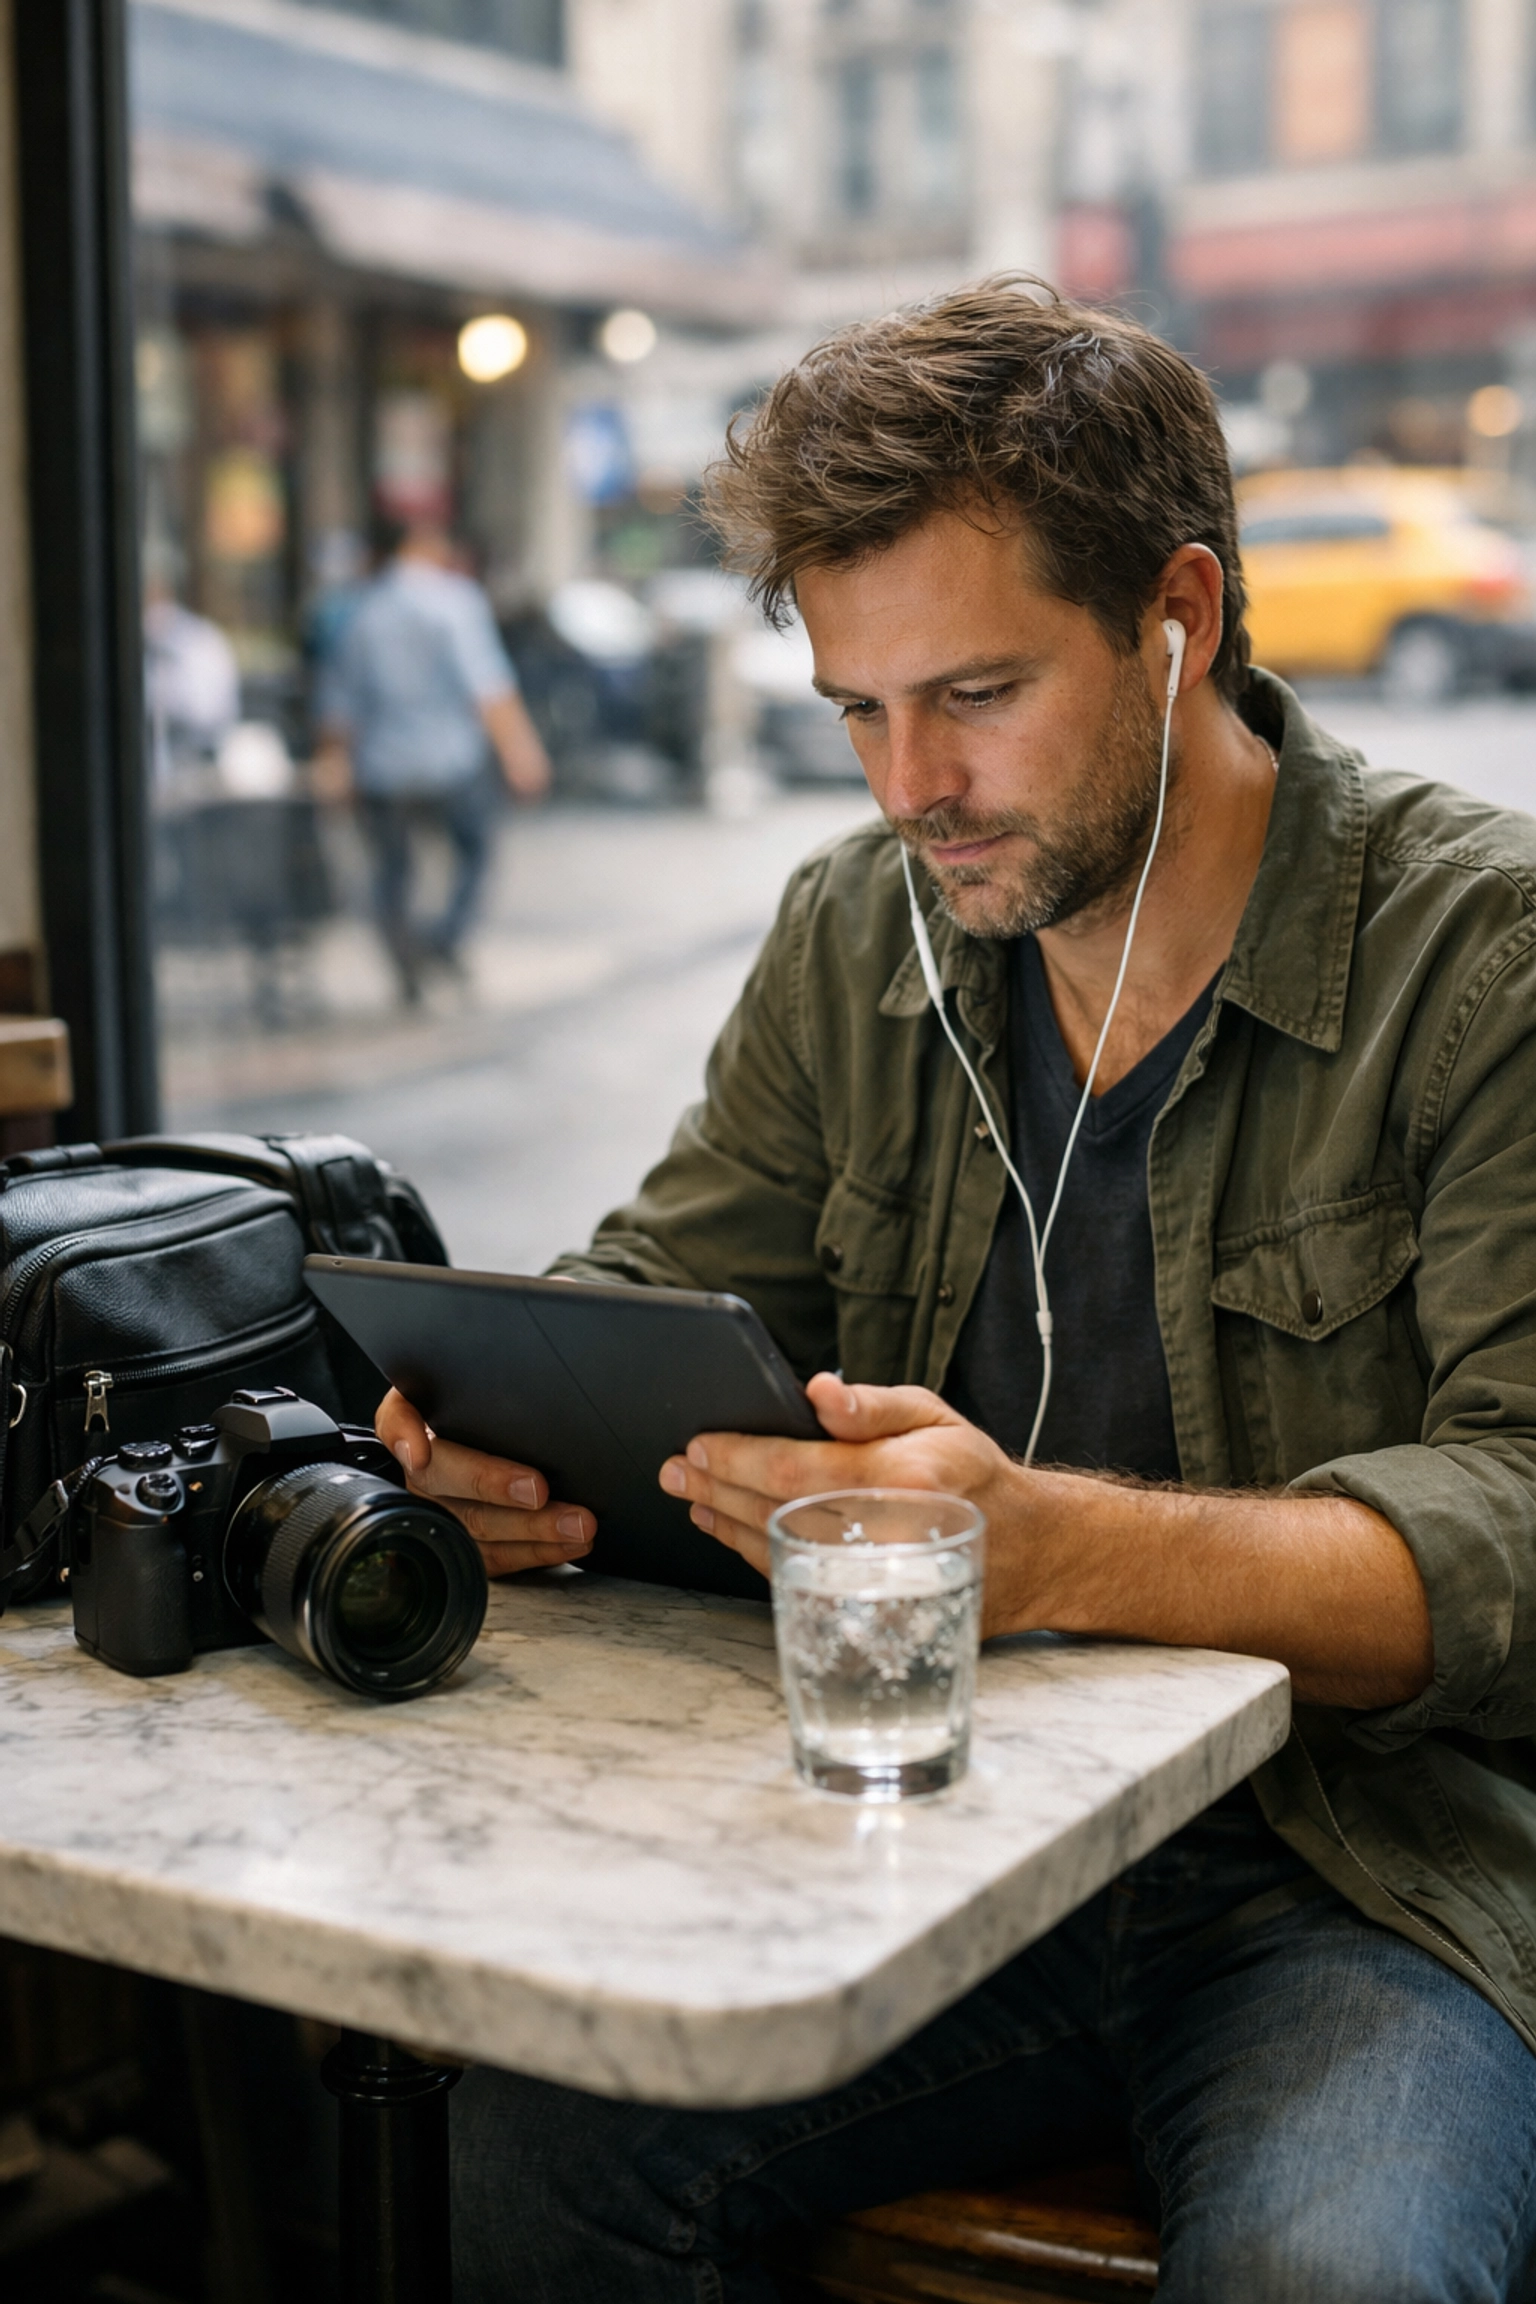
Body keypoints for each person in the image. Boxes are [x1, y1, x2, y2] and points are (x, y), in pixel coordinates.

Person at [379, 281, 1536, 2300]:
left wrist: (1054, 1546)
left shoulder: (1482, 962)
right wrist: (501, 1431)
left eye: (976, 695)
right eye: (855, 708)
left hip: (1352, 1874)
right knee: (530, 2147)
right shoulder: (861, 933)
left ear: (1176, 618)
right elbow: (662, 1285)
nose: (907, 785)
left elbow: (1524, 1529)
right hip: (932, 1824)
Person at [315, 519, 551, 1002]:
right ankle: (445, 940)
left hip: (382, 766)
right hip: (450, 761)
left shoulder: (358, 611)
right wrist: (521, 752)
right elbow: (488, 689)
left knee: (392, 871)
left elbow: (338, 706)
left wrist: (335, 767)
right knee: (474, 854)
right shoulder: (454, 601)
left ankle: (407, 964)